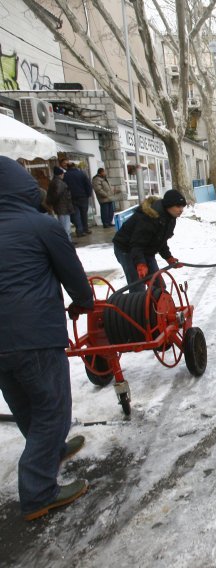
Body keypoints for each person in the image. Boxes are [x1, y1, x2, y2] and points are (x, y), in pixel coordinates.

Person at [0, 156, 94, 521]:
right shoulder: (42, 225)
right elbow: (72, 273)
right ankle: (39, 490)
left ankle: (51, 451)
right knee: (52, 409)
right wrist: (83, 303)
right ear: (24, 188)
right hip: (34, 334)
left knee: (24, 403)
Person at [112, 189, 186, 293]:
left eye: (182, 206)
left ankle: (154, 307)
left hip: (145, 249)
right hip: (126, 248)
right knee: (138, 286)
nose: (181, 210)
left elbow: (161, 240)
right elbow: (137, 244)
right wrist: (140, 264)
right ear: (169, 205)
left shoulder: (170, 218)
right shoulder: (148, 218)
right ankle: (137, 307)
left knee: (158, 285)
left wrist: (168, 257)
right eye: (178, 206)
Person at [63, 162, 93, 237]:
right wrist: (89, 194)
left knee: (76, 214)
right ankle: (85, 229)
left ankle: (79, 231)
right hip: (83, 196)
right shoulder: (82, 174)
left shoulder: (65, 175)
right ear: (75, 166)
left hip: (72, 197)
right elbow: (88, 184)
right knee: (84, 214)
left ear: (68, 167)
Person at [47, 166, 74, 241]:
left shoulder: (55, 181)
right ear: (60, 174)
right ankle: (67, 242)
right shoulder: (59, 183)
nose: (63, 175)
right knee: (66, 228)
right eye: (63, 174)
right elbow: (57, 194)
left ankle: (68, 241)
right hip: (63, 207)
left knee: (65, 227)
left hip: (61, 207)